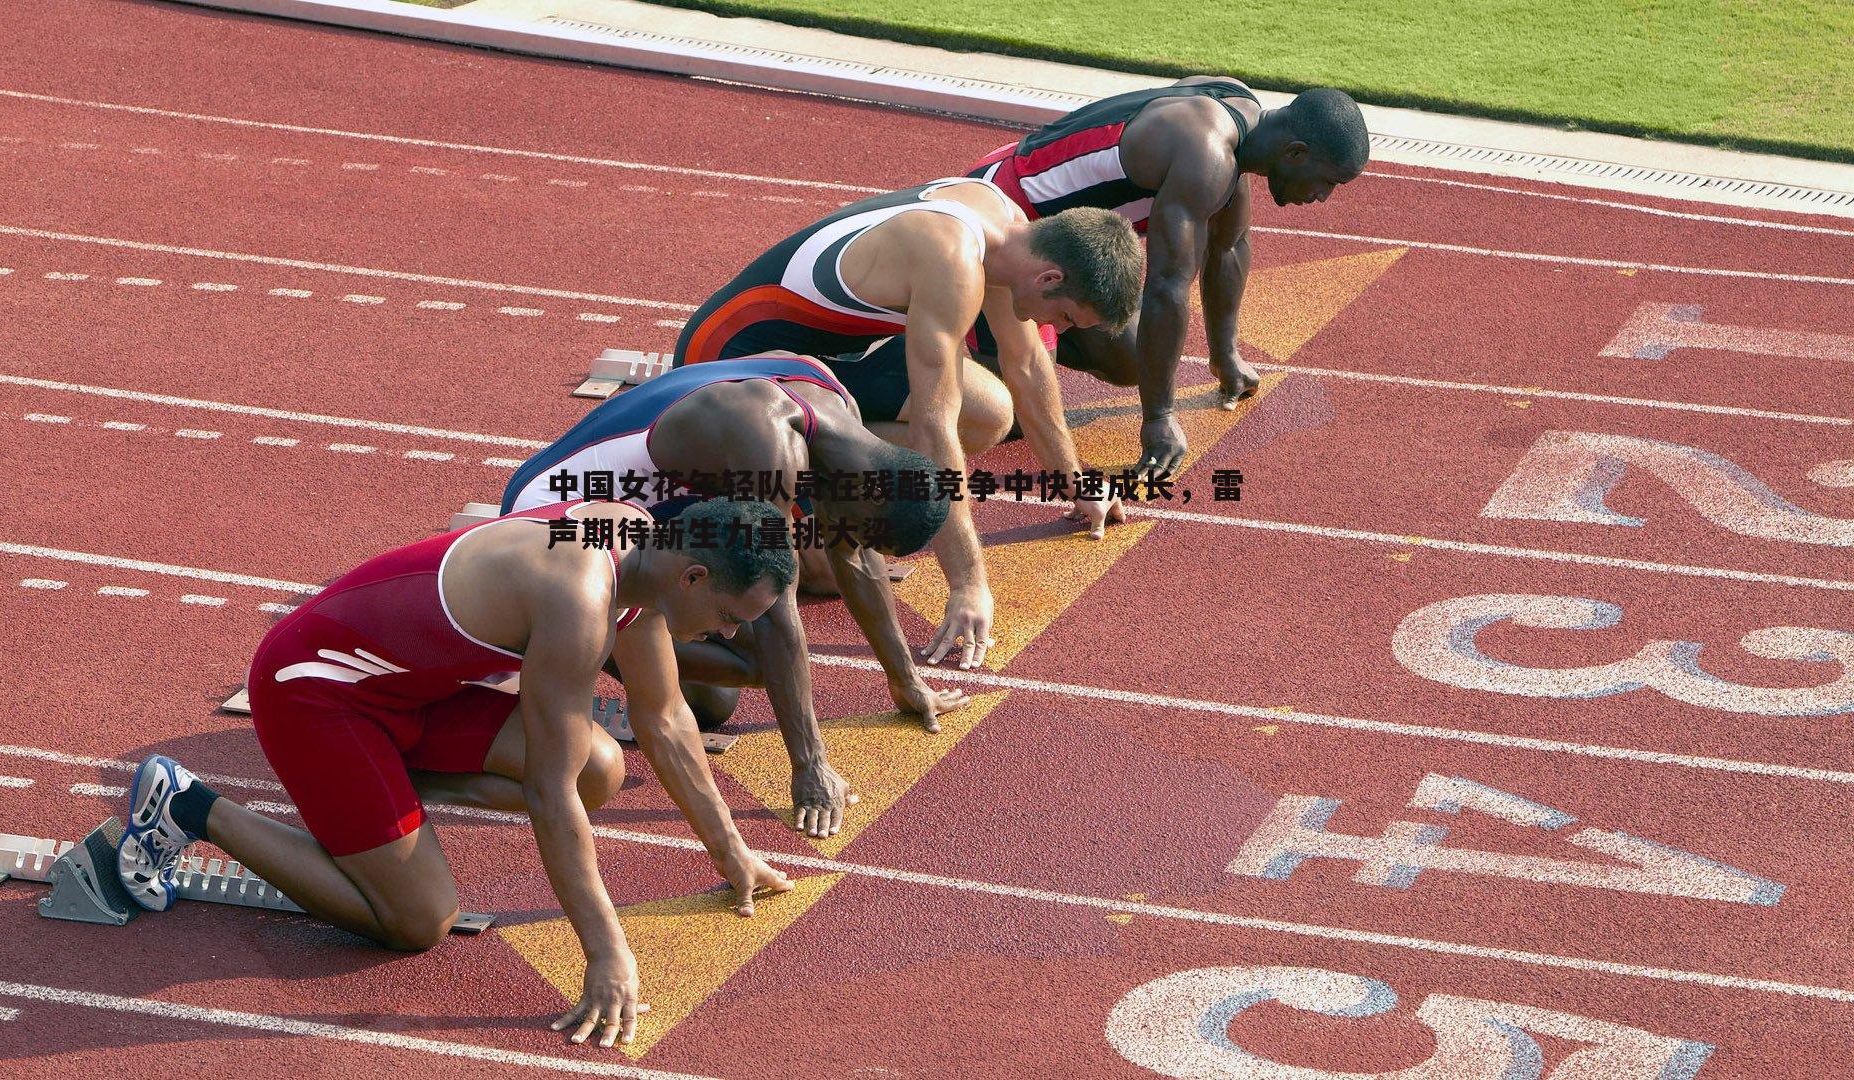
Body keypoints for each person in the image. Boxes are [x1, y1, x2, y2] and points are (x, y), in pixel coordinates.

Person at [117, 497, 797, 1050]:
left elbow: (668, 719)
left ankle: (369, 809)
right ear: (695, 578)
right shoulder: (580, 597)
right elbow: (547, 793)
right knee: (419, 919)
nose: (732, 637)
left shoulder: (644, 551)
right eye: (733, 619)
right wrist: (606, 953)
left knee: (601, 767)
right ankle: (189, 806)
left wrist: (732, 854)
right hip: (316, 691)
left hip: (409, 696)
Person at [674, 176, 1144, 668]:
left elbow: (1026, 364)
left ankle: (818, 459)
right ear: (1049, 279)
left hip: (821, 354)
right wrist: (967, 584)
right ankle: (794, 467)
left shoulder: (1011, 232)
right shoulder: (953, 261)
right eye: (1065, 318)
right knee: (826, 568)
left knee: (989, 413)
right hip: (727, 359)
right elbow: (932, 427)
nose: (1060, 331)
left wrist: (1073, 482)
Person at [501, 352, 968, 838]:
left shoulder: (838, 414)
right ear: (869, 502)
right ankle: (582, 645)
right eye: (865, 534)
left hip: (636, 510)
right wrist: (810, 766)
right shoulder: (769, 453)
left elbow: (854, 557)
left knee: (721, 696)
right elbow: (774, 612)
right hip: (554, 517)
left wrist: (906, 681)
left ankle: (614, 645)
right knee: (759, 661)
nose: (852, 547)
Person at [968, 82, 1370, 475]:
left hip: (1046, 230)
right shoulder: (1205, 154)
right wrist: (1159, 417)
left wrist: (1225, 354)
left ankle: (1012, 336)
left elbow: (1228, 244)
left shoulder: (1239, 115)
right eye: (1328, 182)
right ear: (1296, 152)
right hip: (1004, 223)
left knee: (1130, 356)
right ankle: (943, 338)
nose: (1323, 197)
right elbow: (1166, 286)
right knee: (1011, 413)